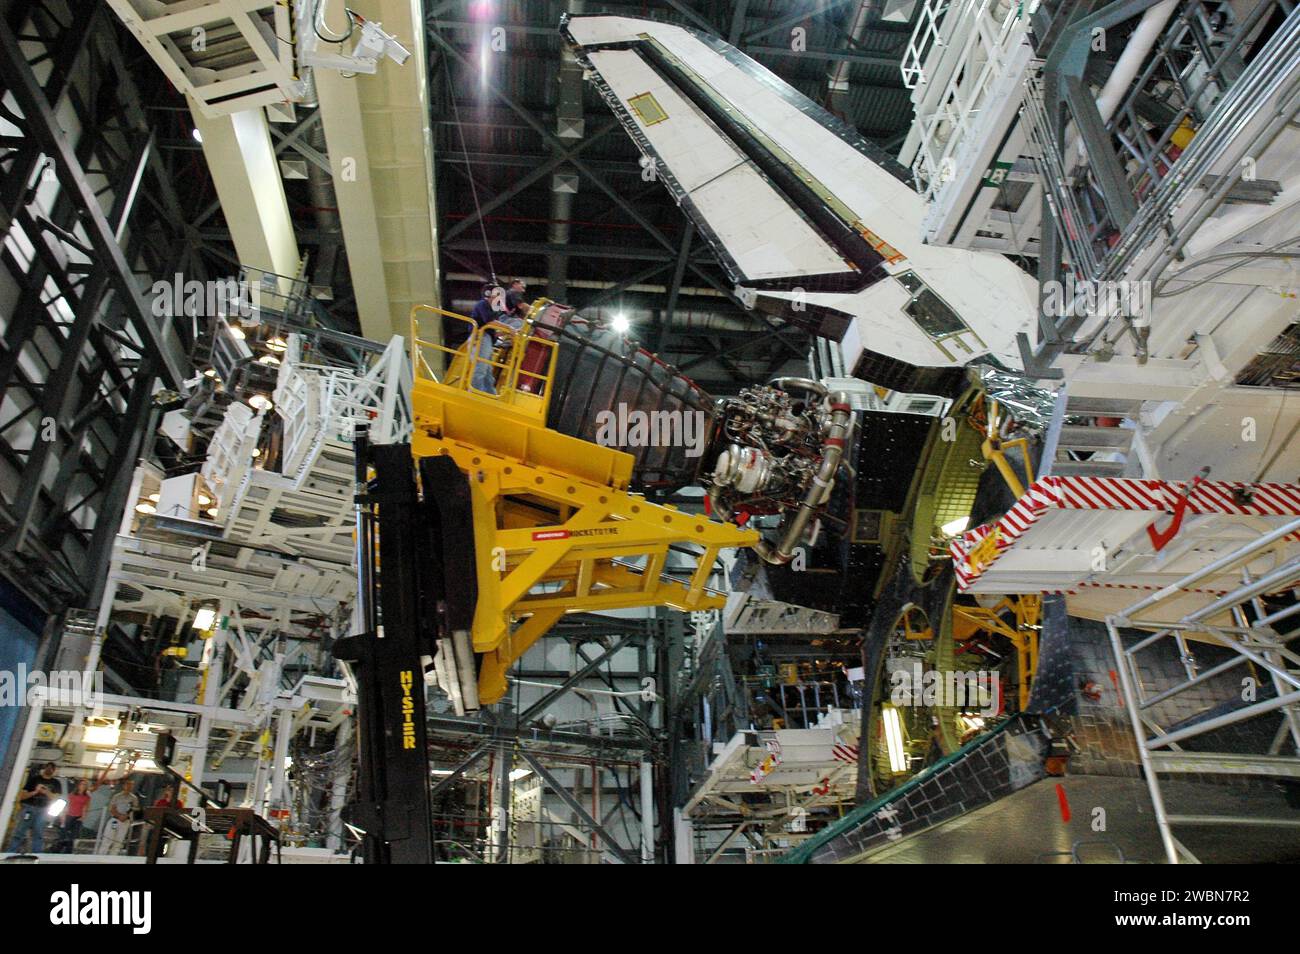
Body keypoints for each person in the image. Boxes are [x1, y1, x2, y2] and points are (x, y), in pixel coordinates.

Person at [6, 761, 58, 853]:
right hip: (29, 808)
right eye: (48, 767)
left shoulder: (56, 783)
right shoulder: (34, 779)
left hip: (43, 810)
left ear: (54, 770)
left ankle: (37, 854)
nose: (49, 769)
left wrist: (45, 792)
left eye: (51, 768)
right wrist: (35, 791)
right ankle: (10, 852)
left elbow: (55, 798)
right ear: (44, 768)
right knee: (20, 831)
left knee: (38, 833)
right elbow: (22, 795)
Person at [468, 283, 508, 394]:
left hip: (487, 339)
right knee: (481, 369)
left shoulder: (492, 309)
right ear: (488, 294)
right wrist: (510, 328)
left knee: (488, 372)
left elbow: (493, 332)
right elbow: (490, 322)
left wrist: (507, 334)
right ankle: (474, 394)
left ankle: (491, 395)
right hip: (480, 338)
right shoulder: (483, 304)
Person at [97, 777, 140, 855]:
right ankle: (101, 855)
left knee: (119, 840)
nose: (129, 786)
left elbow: (134, 808)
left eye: (131, 785)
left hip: (125, 821)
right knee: (109, 837)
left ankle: (113, 857)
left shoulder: (134, 798)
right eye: (127, 784)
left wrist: (126, 815)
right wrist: (119, 816)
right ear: (124, 786)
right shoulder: (117, 796)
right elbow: (112, 808)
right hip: (115, 820)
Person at [55, 778, 92, 852]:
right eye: (82, 784)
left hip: (78, 817)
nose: (83, 786)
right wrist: (63, 816)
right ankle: (58, 849)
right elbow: (67, 805)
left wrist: (83, 817)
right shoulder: (72, 795)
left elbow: (86, 807)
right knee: (63, 834)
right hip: (69, 815)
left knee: (73, 836)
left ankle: (68, 851)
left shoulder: (87, 797)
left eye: (85, 785)